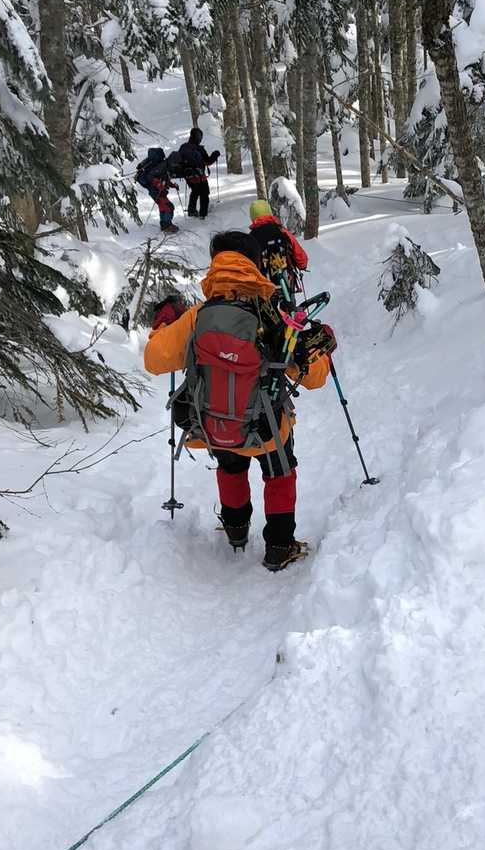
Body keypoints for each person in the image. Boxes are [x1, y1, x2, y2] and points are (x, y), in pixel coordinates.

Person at [144, 230, 336, 571]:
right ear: (255, 265)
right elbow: (315, 378)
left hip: (214, 422)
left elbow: (154, 360)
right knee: (279, 472)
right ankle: (279, 547)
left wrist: (163, 327)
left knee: (230, 466)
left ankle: (235, 531)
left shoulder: (198, 316)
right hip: (266, 425)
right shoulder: (273, 316)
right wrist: (319, 350)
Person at [248, 198, 309, 302]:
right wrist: (302, 265)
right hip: (286, 282)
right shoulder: (282, 231)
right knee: (289, 306)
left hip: (263, 287)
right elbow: (300, 255)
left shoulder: (250, 239)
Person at [176, 128, 221, 220]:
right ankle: (203, 214)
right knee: (204, 193)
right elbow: (208, 162)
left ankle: (191, 211)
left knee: (195, 191)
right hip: (199, 175)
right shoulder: (199, 149)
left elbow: (179, 161)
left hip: (188, 176)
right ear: (199, 137)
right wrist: (215, 155)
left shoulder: (183, 147)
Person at [136, 146, 179, 233]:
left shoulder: (166, 166)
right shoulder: (162, 166)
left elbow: (164, 178)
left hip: (159, 191)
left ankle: (165, 225)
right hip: (155, 191)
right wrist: (158, 184)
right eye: (176, 163)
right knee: (169, 207)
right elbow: (151, 177)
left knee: (163, 207)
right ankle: (167, 226)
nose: (176, 165)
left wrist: (172, 185)